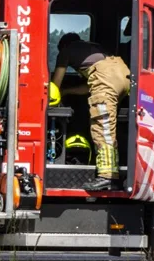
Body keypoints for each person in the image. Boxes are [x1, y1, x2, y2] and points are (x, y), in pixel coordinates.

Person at [51, 33, 131, 191]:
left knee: (102, 127)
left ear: (63, 46)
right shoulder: (94, 48)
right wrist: (68, 92)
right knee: (113, 123)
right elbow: (93, 86)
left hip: (107, 83)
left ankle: (107, 177)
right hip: (124, 76)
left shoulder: (66, 51)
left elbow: (54, 86)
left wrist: (54, 99)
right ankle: (118, 168)